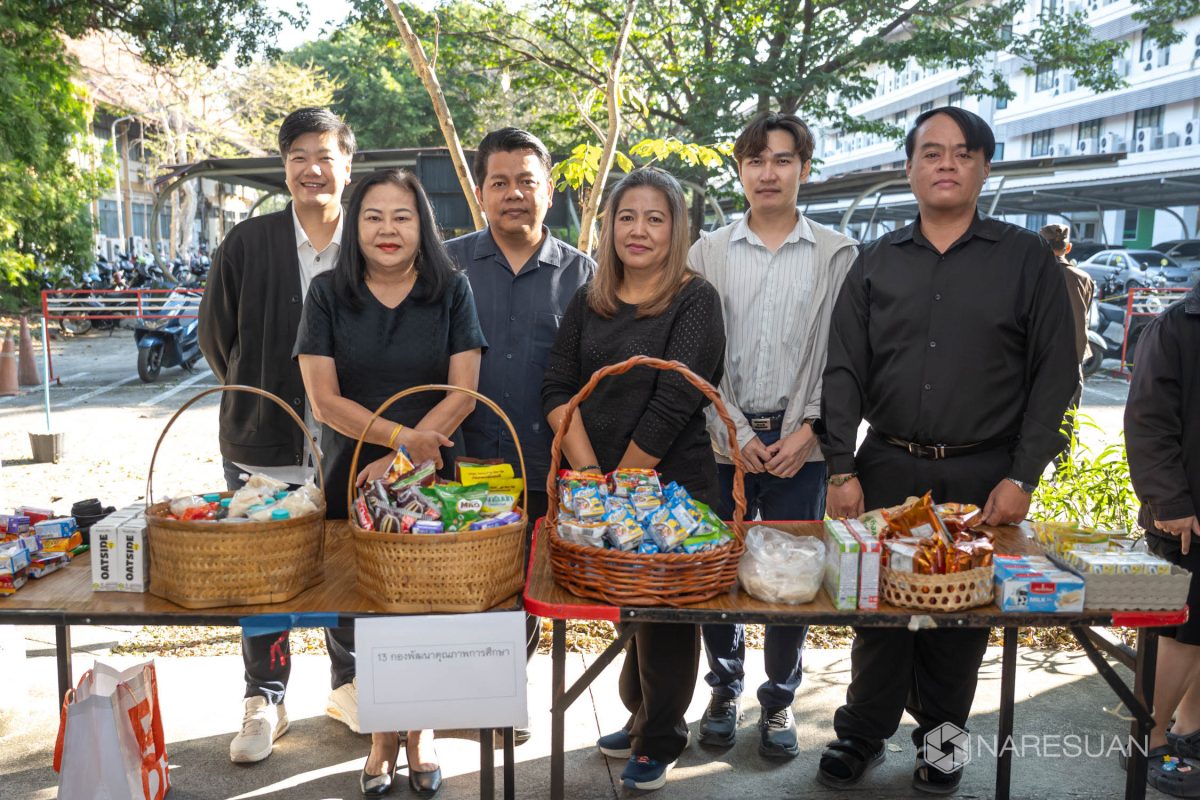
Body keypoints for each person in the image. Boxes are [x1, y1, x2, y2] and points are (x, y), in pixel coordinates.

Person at [817, 107, 1078, 794]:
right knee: (880, 615)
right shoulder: (875, 262)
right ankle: (861, 735)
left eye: (963, 153)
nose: (946, 164)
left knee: (961, 622)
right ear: (909, 168)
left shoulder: (1026, 261)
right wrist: (840, 465)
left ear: (984, 168)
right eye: (931, 152)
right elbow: (842, 369)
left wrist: (1024, 475)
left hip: (983, 472)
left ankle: (941, 745)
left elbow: (1056, 374)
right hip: (887, 464)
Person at [295, 167, 486, 797]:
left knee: (427, 606)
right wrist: (399, 443)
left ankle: (421, 732)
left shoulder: (451, 290)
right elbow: (324, 401)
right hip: (354, 472)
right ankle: (381, 733)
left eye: (402, 216)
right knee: (363, 607)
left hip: (435, 476)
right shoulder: (327, 293)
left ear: (421, 226)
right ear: (355, 225)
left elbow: (463, 393)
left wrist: (407, 462)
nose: (388, 229)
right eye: (373, 216)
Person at [541, 168, 725, 792]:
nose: (638, 230)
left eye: (654, 218)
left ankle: (662, 737)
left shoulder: (695, 299)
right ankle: (642, 714)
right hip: (601, 481)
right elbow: (557, 387)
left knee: (665, 614)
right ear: (610, 226)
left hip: (672, 486)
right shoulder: (588, 299)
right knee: (629, 607)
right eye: (626, 217)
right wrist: (592, 474)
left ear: (676, 228)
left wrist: (623, 483)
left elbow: (676, 400)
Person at [690, 111, 858, 759]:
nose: (768, 172)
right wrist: (732, 427)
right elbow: (696, 352)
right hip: (720, 441)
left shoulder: (836, 254)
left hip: (800, 446)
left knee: (795, 576)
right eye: (755, 160)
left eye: (782, 159)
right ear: (739, 171)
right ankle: (723, 688)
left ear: (803, 169)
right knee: (716, 568)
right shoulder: (706, 252)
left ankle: (780, 699)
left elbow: (845, 356)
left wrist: (812, 431)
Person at [198, 107, 361, 764]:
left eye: (324, 156)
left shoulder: (370, 238)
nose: (311, 169)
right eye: (298, 156)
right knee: (264, 574)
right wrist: (259, 391)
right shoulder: (248, 242)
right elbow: (218, 339)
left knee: (351, 564)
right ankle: (264, 697)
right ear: (284, 167)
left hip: (353, 443)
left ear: (347, 165)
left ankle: (350, 684)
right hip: (263, 441)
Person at [444, 127, 595, 682]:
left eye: (527, 182)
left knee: (526, 594)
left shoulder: (584, 276)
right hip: (457, 467)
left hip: (541, 470)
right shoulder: (447, 267)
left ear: (549, 191)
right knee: (461, 587)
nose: (514, 194)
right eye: (499, 182)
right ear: (480, 193)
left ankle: (505, 695)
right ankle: (468, 693)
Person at [1125, 279, 1200, 797]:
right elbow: (1147, 422)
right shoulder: (1176, 326)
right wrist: (1171, 505)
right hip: (1185, 516)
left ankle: (1189, 731)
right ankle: (1146, 740)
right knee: (1178, 631)